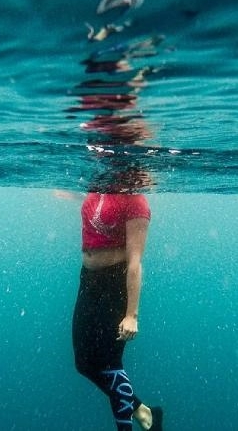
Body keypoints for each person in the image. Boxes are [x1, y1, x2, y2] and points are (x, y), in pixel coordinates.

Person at [72, 183, 163, 431]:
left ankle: (129, 425)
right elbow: (99, 210)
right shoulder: (99, 185)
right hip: (88, 280)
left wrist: (131, 315)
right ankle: (142, 411)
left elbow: (135, 263)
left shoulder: (136, 202)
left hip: (115, 284)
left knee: (109, 363)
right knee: (84, 363)